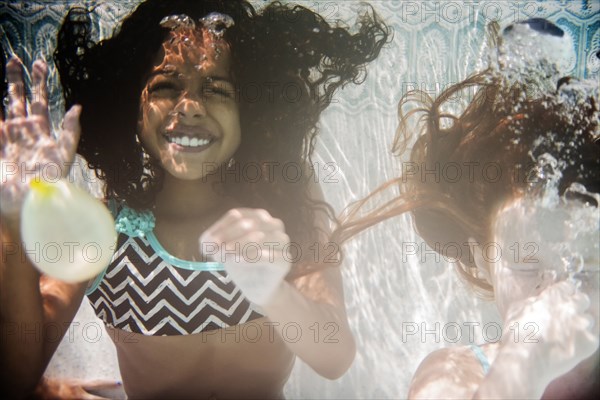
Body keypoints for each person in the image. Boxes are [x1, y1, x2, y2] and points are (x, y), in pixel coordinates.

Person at [0, 0, 390, 398]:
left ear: (252, 110)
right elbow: (15, 378)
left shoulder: (281, 203)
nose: (189, 107)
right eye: (166, 86)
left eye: (217, 89)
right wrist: (12, 222)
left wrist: (272, 291)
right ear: (132, 110)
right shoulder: (104, 233)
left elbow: (334, 355)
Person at [333, 19, 599, 399]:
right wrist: (523, 370)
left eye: (587, 270)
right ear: (480, 260)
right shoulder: (456, 372)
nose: (554, 294)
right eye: (526, 265)